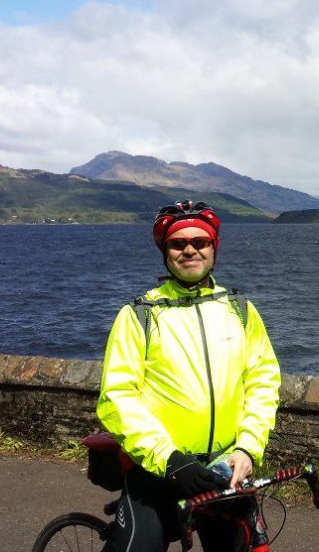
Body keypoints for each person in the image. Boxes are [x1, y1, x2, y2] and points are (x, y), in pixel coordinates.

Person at [97, 200, 281, 552]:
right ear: (164, 252)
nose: (190, 249)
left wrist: (247, 447)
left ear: (214, 248)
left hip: (225, 468)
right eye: (178, 243)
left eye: (201, 241)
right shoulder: (139, 315)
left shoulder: (239, 309)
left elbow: (262, 382)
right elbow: (117, 398)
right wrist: (170, 460)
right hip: (158, 474)